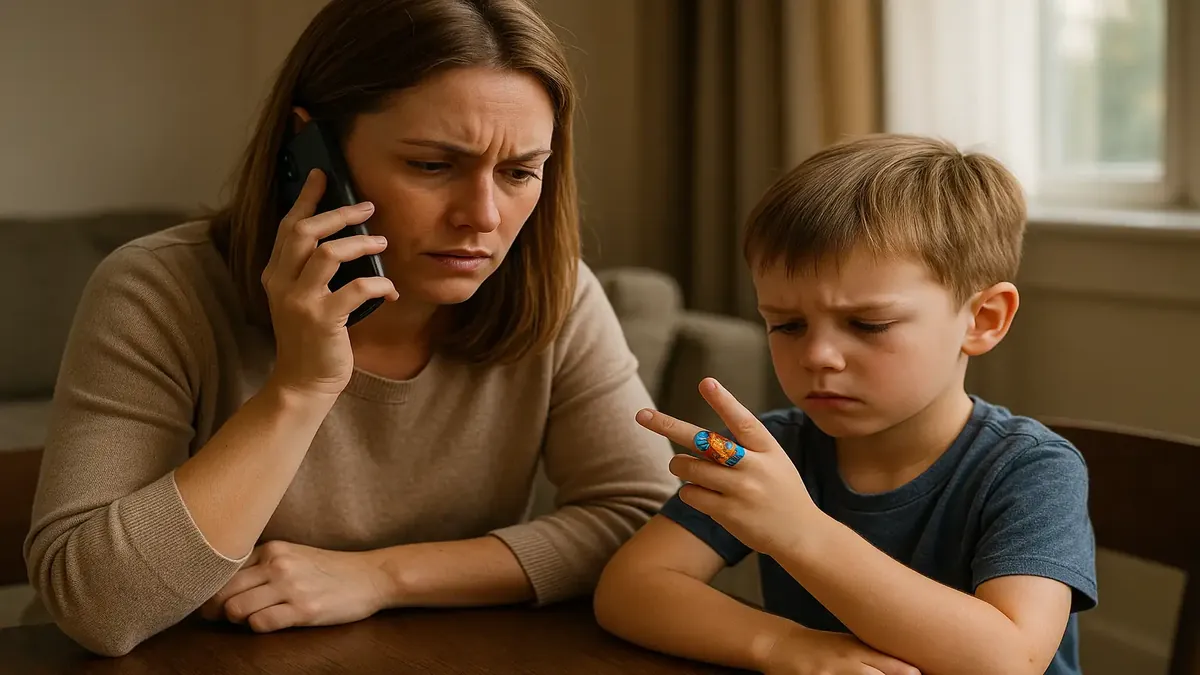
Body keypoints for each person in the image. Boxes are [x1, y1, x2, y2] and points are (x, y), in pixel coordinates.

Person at [24, 0, 678, 657]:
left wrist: (383, 576)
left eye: (518, 172)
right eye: (433, 165)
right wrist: (299, 391)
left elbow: (650, 523)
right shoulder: (159, 290)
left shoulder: (556, 293)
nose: (482, 216)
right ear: (310, 149)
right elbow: (98, 605)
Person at [594, 134, 1098, 675]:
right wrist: (783, 646)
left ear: (983, 319)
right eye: (787, 324)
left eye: (868, 324)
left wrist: (799, 530)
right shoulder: (775, 451)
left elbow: (1008, 661)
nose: (818, 355)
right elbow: (630, 588)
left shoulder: (1033, 471)